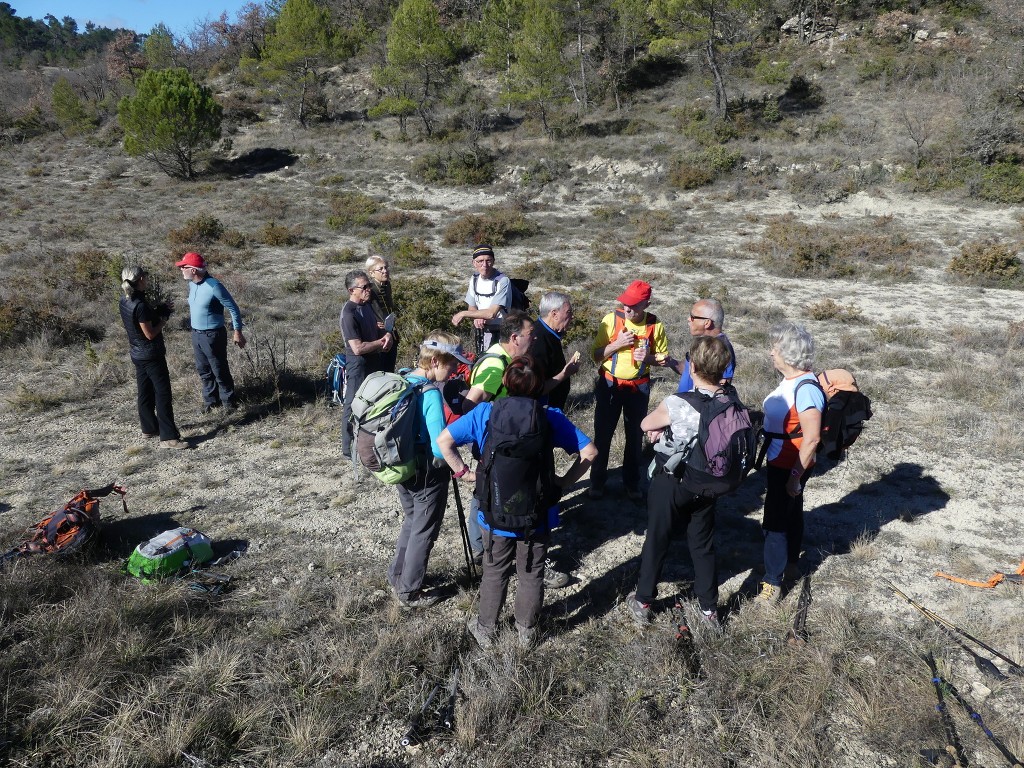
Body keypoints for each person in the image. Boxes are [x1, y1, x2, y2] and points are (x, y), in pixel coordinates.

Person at [438, 356, 598, 649]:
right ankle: (526, 631)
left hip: (493, 511)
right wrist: (563, 481)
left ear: (505, 383)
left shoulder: (485, 412)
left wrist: (463, 473)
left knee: (495, 568)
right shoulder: (550, 416)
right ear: (539, 386)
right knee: (532, 572)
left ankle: (486, 629)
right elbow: (590, 451)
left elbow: (444, 440)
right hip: (538, 513)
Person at [625, 335, 733, 627]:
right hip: (709, 482)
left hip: (674, 481)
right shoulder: (729, 400)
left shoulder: (678, 402)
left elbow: (646, 424)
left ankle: (644, 599)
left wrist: (661, 428)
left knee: (657, 539)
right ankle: (710, 609)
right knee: (703, 544)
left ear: (693, 366)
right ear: (724, 368)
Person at [387, 331, 472, 609]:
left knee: (412, 520)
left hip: (404, 464)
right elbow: (439, 447)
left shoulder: (403, 379)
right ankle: (409, 592)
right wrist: (461, 468)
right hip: (427, 472)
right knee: (425, 529)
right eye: (452, 364)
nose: (455, 370)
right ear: (435, 361)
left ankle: (398, 575)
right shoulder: (430, 394)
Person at [757, 322, 824, 606]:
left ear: (788, 353)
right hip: (780, 460)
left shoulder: (806, 388)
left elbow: (811, 438)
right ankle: (791, 564)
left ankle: (772, 584)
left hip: (790, 462)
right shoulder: (789, 381)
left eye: (774, 348)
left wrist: (795, 476)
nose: (770, 352)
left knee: (775, 522)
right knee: (791, 510)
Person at [589, 280, 671, 501]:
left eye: (634, 305)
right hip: (609, 385)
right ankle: (597, 482)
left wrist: (650, 358)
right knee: (603, 434)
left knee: (635, 437)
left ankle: (632, 483)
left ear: (646, 304)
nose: (627, 308)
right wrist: (617, 344)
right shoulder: (611, 320)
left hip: (639, 387)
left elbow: (663, 358)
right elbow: (595, 355)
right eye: (625, 303)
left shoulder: (655, 325)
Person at [118, 265, 189, 450]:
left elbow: (139, 319)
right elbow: (149, 334)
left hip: (137, 353)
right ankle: (168, 437)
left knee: (145, 391)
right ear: (141, 279)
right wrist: (164, 319)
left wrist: (158, 309)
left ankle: (149, 428)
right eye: (146, 277)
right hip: (151, 354)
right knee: (163, 393)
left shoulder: (126, 299)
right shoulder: (140, 305)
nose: (148, 279)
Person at [176, 252, 246, 415]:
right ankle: (211, 401)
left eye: (184, 267)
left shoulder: (214, 286)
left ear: (193, 270)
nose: (181, 270)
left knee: (219, 369)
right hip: (196, 334)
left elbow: (233, 308)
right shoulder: (192, 284)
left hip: (213, 335)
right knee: (204, 369)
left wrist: (238, 332)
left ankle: (229, 403)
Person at [340, 269, 394, 457]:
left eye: (369, 285)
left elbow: (378, 330)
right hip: (358, 365)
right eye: (364, 287)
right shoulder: (349, 313)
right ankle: (348, 447)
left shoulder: (368, 306)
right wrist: (380, 343)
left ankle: (370, 441)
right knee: (352, 404)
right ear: (351, 290)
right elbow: (357, 348)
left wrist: (386, 336)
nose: (368, 290)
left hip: (374, 361)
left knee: (375, 403)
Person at [451, 244, 511, 353]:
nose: (485, 265)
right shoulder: (474, 279)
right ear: (474, 263)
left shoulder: (503, 281)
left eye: (488, 260)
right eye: (480, 261)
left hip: (502, 331)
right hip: (483, 331)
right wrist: (477, 317)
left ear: (493, 261)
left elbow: (491, 313)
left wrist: (463, 314)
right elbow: (472, 306)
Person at [668, 298, 736, 393]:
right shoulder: (703, 344)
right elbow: (689, 369)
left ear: (707, 323)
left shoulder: (721, 350)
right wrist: (670, 362)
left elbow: (720, 389)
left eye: (693, 317)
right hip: (684, 404)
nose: (689, 319)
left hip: (696, 406)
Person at [529, 291, 581, 412]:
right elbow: (537, 388)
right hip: (543, 411)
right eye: (568, 312)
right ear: (554, 314)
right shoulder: (538, 339)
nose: (572, 316)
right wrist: (566, 373)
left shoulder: (549, 333)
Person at [365, 255, 399, 373]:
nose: (385, 271)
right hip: (378, 336)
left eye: (386, 268)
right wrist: (373, 322)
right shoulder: (369, 289)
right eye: (381, 269)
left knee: (390, 369)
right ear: (372, 273)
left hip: (391, 332)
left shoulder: (387, 285)